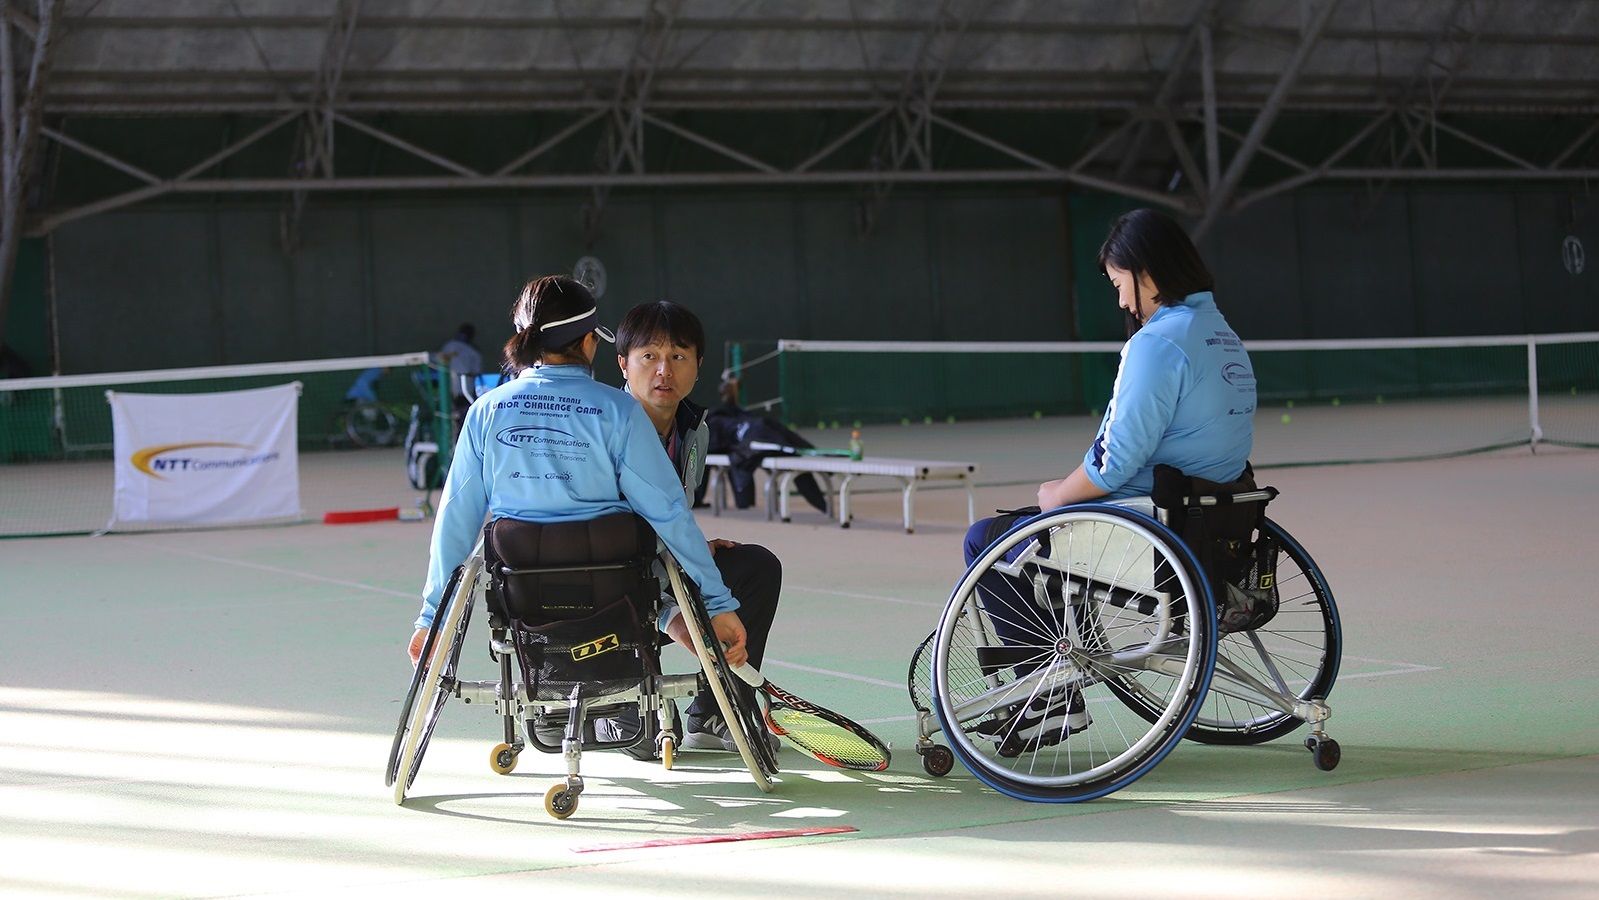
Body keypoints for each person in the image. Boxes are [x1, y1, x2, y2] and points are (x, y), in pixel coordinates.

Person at [407, 277, 754, 760]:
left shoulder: (486, 412)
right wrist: (715, 603)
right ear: (591, 341)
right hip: (617, 599)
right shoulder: (618, 412)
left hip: (523, 603)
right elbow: (669, 512)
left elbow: (455, 519)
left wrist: (433, 618)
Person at [961, 208, 1257, 750]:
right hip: (1218, 515)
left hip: (1154, 526)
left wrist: (1056, 494)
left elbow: (1115, 461)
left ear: (1148, 274)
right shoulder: (1221, 334)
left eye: (1121, 283)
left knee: (988, 539)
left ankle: (1051, 701)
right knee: (1042, 536)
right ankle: (1065, 650)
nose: (1122, 301)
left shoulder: (1158, 342)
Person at [614, 300, 785, 754]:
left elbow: (670, 514)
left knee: (755, 566)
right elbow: (611, 546)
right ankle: (620, 701)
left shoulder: (695, 431)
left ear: (697, 366)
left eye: (678, 356)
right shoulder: (605, 431)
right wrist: (673, 617)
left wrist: (692, 546)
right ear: (623, 366)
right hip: (610, 582)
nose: (663, 371)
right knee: (646, 738)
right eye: (648, 356)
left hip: (658, 569)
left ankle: (714, 711)